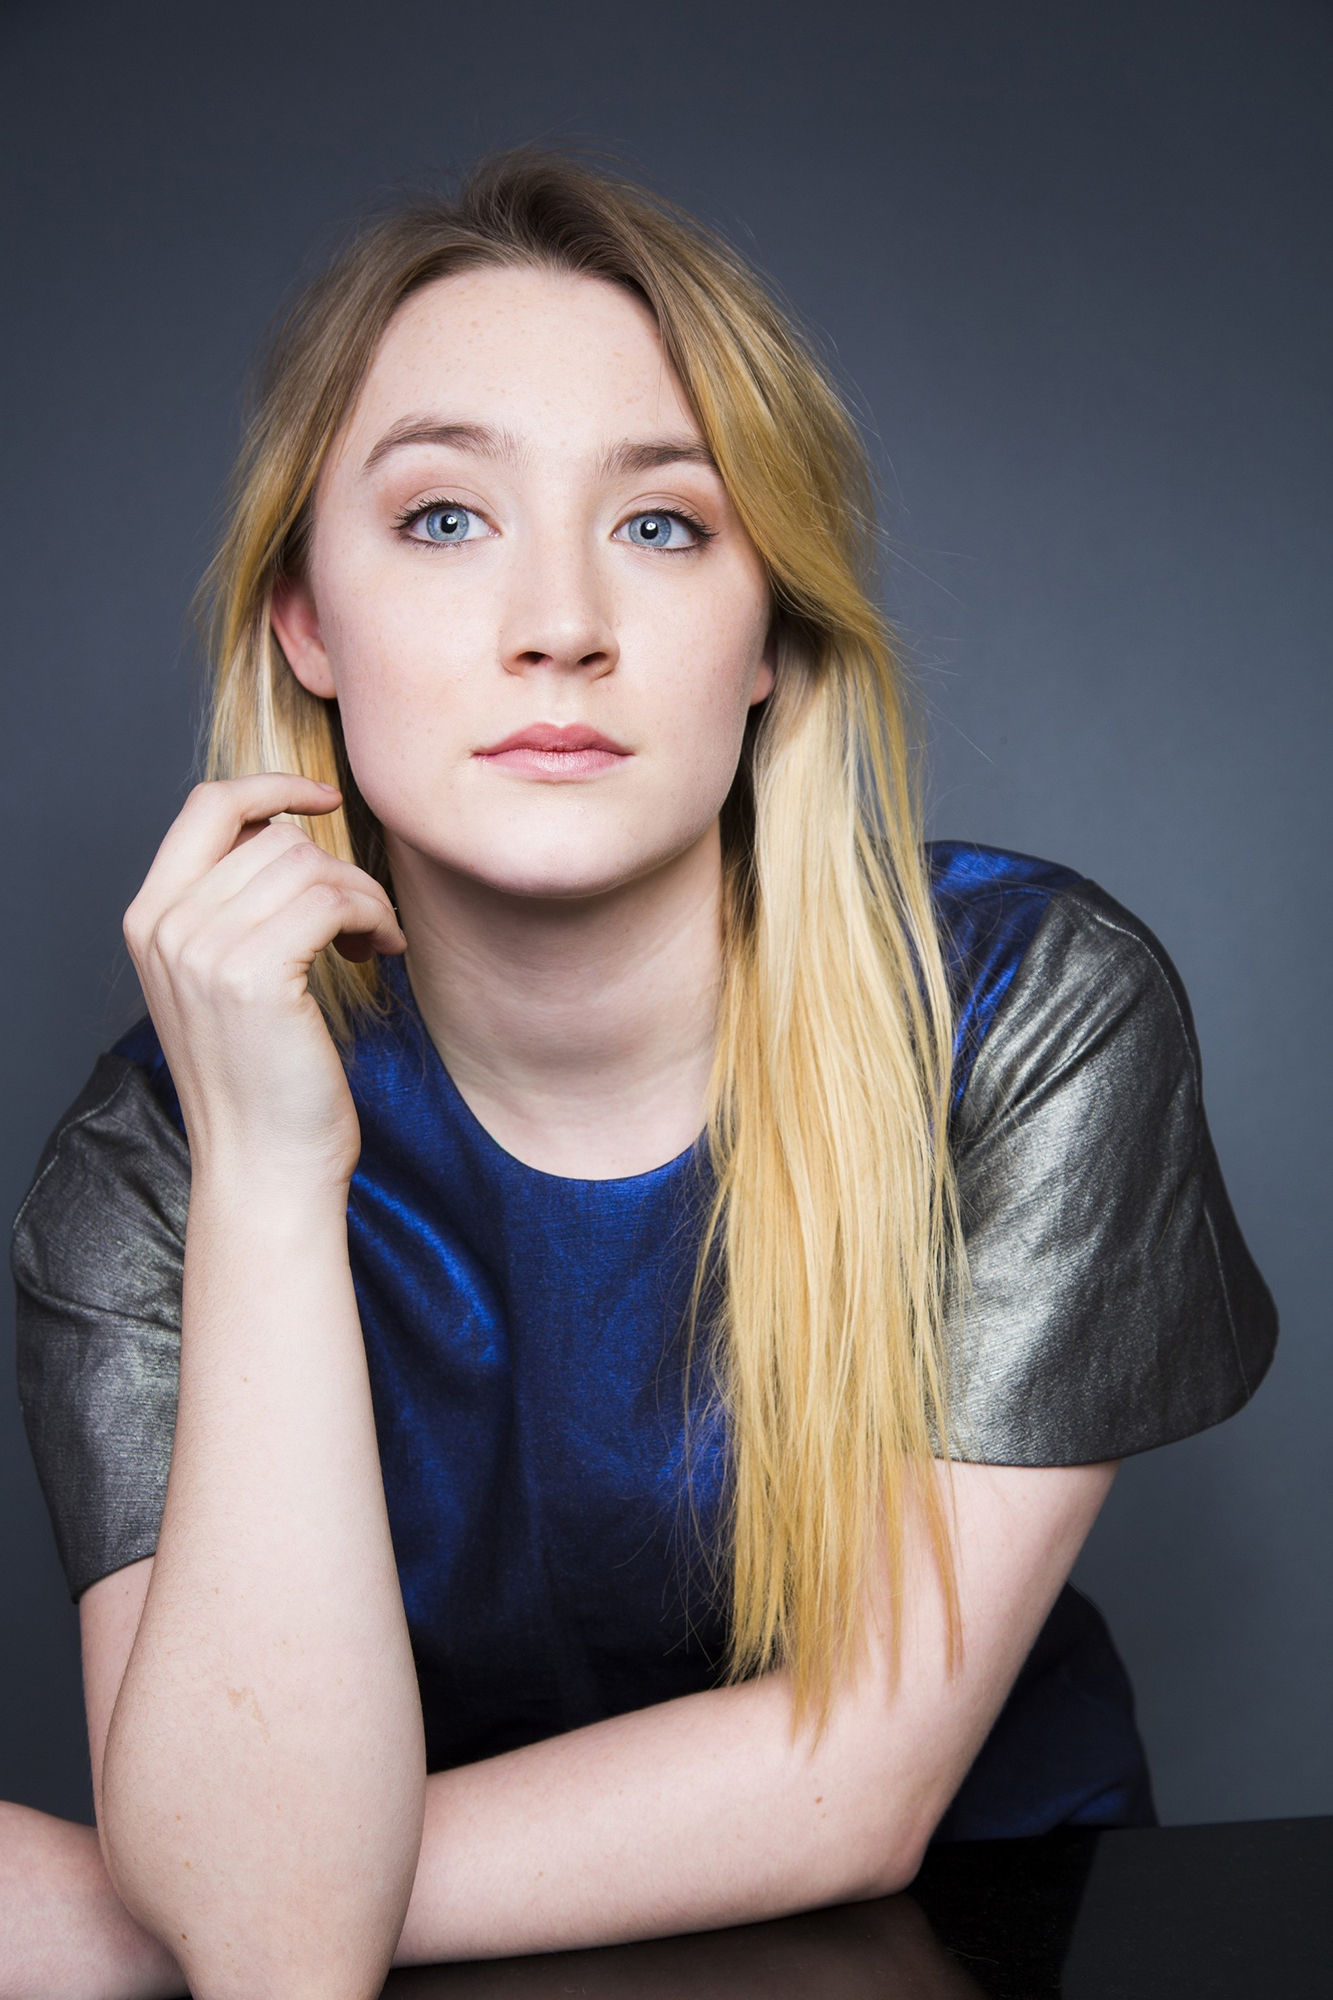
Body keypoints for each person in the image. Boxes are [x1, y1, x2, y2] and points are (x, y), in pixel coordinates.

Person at [6, 152, 1276, 1999]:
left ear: (767, 633)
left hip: (959, 1956)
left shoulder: (1023, 1011)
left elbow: (849, 1793)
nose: (560, 622)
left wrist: (161, 1906)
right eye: (445, 517)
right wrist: (270, 1176)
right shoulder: (147, 1167)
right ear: (307, 621)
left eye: (664, 525)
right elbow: (272, 1950)